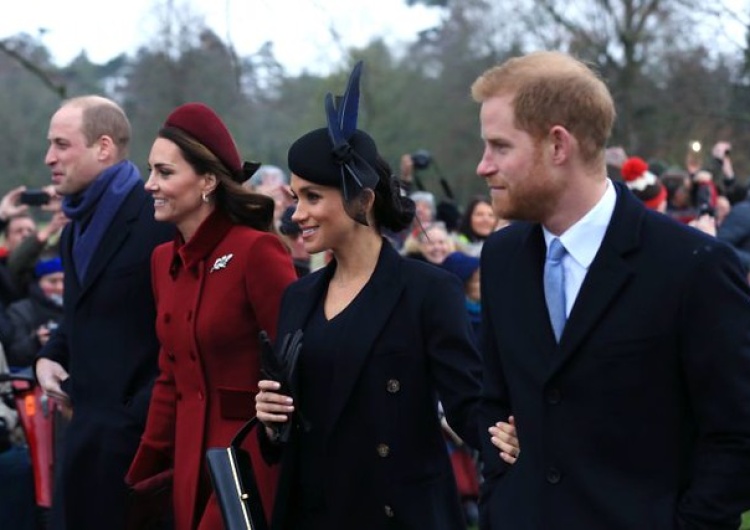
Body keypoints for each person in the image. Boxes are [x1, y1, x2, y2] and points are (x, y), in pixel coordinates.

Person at [472, 51, 750, 529]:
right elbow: (494, 400)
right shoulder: (502, 258)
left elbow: (737, 434)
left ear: (558, 145)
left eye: (499, 146)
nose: (483, 167)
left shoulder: (691, 267)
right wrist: (505, 492)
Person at [255, 61, 482, 530]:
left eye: (312, 197)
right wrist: (272, 421)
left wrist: (518, 433)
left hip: (398, 514)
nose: (297, 213)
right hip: (312, 513)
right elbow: (291, 434)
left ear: (363, 199)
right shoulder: (298, 297)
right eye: (296, 198)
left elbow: (468, 404)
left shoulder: (428, 291)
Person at [125, 102, 297, 530]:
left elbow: (297, 357)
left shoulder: (257, 251)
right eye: (151, 171)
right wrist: (146, 464)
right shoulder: (163, 260)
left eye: (164, 172)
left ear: (206, 181)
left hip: (249, 458)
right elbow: (171, 376)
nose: (149, 185)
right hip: (189, 460)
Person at [34, 95, 175, 530]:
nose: (49, 158)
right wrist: (51, 356)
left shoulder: (157, 219)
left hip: (140, 449)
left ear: (104, 147)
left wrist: (139, 411)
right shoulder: (73, 230)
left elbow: (181, 326)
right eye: (49, 145)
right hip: (84, 442)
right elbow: (81, 313)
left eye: (61, 144)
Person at [6, 256, 64, 367]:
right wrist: (36, 341)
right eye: (52, 281)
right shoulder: (20, 310)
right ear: (38, 283)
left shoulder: (78, 309)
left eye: (64, 281)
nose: (60, 287)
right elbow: (13, 354)